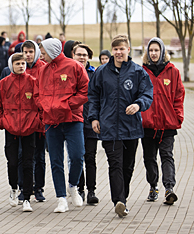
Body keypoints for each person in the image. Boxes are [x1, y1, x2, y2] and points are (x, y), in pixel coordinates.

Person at [88, 34, 153, 218]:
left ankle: (122, 199)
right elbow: (92, 96)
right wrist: (94, 118)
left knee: (128, 167)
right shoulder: (101, 72)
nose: (118, 52)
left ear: (128, 50)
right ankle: (119, 201)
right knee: (115, 164)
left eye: (121, 49)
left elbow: (148, 93)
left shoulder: (138, 72)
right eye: (115, 49)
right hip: (108, 128)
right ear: (112, 51)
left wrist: (138, 104)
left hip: (131, 128)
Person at [37, 38, 89, 213]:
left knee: (77, 156)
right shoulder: (42, 70)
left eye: (43, 52)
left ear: (52, 51)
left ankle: (72, 185)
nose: (41, 55)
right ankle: (61, 198)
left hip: (73, 119)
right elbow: (37, 94)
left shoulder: (74, 66)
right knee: (56, 161)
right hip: (51, 122)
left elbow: (85, 91)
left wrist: (65, 105)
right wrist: (44, 106)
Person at [0, 53, 40, 212]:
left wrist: (36, 122)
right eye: (17, 63)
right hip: (11, 128)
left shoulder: (33, 83)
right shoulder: (3, 84)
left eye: (23, 63)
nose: (21, 66)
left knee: (28, 163)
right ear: (11, 65)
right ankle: (14, 188)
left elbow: (40, 105)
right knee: (12, 162)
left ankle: (27, 198)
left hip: (29, 128)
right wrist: (2, 122)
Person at [141, 38, 185, 204]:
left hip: (167, 125)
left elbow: (179, 96)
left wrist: (177, 116)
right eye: (151, 50)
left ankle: (169, 189)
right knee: (149, 158)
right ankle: (153, 186)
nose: (153, 53)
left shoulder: (172, 71)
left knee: (167, 156)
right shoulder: (142, 72)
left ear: (162, 51)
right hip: (148, 125)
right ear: (147, 52)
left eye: (156, 50)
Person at [72, 43, 99, 204]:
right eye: (79, 54)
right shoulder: (69, 72)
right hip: (74, 121)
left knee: (90, 157)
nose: (82, 57)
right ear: (73, 56)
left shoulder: (94, 74)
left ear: (88, 57)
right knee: (77, 157)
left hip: (90, 121)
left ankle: (91, 190)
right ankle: (79, 189)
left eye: (85, 55)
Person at [21, 40, 47, 203]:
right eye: (25, 52)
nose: (28, 55)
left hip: (41, 120)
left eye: (31, 52)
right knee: (23, 156)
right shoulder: (19, 68)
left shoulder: (43, 68)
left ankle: (39, 188)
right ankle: (24, 187)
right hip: (23, 121)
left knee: (39, 156)